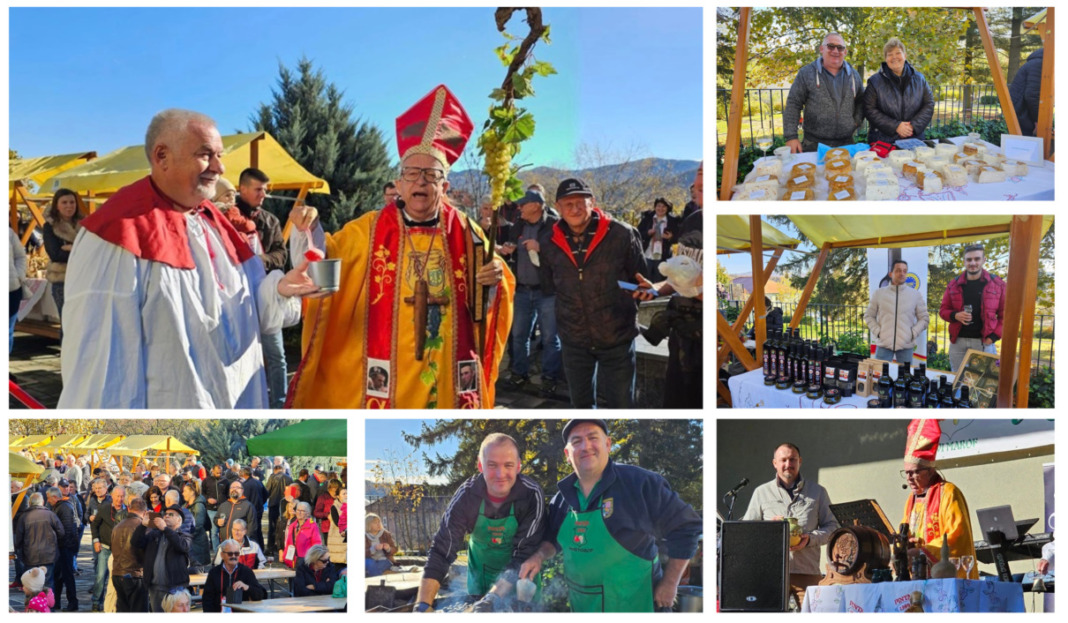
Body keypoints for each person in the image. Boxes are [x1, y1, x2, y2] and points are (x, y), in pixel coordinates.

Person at [56, 108, 323, 408]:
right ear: (161, 156)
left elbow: (246, 313)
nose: (220, 167)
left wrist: (279, 289)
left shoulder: (214, 221)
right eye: (206, 154)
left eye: (220, 155)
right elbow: (102, 368)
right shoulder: (116, 233)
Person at [285, 84, 514, 409]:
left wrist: (494, 280)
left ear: (445, 186)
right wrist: (307, 227)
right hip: (382, 372)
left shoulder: (466, 229)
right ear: (399, 184)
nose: (420, 181)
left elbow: (492, 291)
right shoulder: (368, 228)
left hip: (448, 367)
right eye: (411, 173)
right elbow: (323, 258)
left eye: (430, 175)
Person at [518, 420, 702, 612]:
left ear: (608, 444)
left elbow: (687, 527)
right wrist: (538, 556)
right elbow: (552, 539)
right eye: (577, 441)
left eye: (593, 438)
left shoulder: (639, 484)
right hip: (583, 607)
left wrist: (670, 583)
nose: (586, 446)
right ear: (567, 454)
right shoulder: (561, 499)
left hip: (636, 605)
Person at [540, 178, 650, 408]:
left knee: (622, 407)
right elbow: (550, 285)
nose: (575, 209)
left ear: (593, 202)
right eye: (568, 204)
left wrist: (631, 299)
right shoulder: (549, 241)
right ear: (558, 207)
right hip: (573, 339)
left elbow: (638, 280)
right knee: (580, 408)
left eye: (581, 202)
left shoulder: (622, 234)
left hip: (616, 338)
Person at [414, 433, 545, 612]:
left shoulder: (531, 496)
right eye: (492, 465)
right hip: (480, 578)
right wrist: (422, 605)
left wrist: (492, 598)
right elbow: (442, 550)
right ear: (480, 465)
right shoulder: (467, 497)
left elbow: (522, 555)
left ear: (518, 467)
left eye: (508, 465)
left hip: (520, 583)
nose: (500, 474)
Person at [742, 443, 838, 608]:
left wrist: (809, 539)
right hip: (772, 573)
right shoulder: (761, 492)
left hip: (807, 572)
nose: (788, 464)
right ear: (775, 463)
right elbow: (747, 531)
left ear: (800, 461)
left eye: (792, 459)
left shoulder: (818, 492)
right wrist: (769, 529)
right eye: (783, 460)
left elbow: (833, 528)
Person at [235, 167, 290, 408]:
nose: (263, 195)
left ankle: (280, 405)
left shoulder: (270, 220)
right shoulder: (226, 216)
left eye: (265, 191)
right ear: (242, 189)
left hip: (265, 297)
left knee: (276, 356)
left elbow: (282, 255)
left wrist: (261, 261)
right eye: (258, 190)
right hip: (236, 298)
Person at [500, 189, 563, 397]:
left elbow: (562, 253)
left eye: (524, 204)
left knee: (550, 338)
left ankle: (549, 379)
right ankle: (519, 374)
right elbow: (512, 244)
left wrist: (541, 247)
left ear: (536, 205)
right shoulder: (518, 224)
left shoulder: (554, 225)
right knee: (519, 336)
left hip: (547, 292)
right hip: (522, 290)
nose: (520, 207)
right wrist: (509, 248)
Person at [901, 419, 978, 578]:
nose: (909, 478)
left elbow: (958, 537)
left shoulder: (948, 493)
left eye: (914, 472)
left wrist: (922, 551)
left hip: (945, 576)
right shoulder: (911, 500)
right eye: (906, 473)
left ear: (930, 471)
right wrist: (904, 545)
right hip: (917, 573)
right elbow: (903, 531)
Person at [783, 32, 866, 153]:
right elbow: (793, 104)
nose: (835, 51)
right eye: (831, 46)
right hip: (813, 145)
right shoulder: (806, 73)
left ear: (845, 52)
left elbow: (862, 101)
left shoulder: (854, 75)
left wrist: (856, 122)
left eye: (840, 48)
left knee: (846, 172)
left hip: (846, 143)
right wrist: (791, 136)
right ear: (822, 49)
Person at [938, 244, 1006, 373]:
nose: (973, 263)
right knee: (957, 379)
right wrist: (955, 315)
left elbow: (1007, 316)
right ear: (964, 261)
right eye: (969, 259)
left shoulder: (998, 284)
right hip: (958, 341)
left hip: (983, 342)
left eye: (977, 259)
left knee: (982, 382)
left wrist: (993, 337)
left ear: (984, 260)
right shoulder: (953, 284)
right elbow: (943, 310)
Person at [863, 38, 935, 146]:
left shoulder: (920, 79)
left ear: (905, 56)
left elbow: (929, 104)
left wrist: (913, 126)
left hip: (914, 139)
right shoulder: (875, 82)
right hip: (883, 141)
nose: (894, 57)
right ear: (885, 59)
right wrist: (895, 126)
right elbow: (869, 109)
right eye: (890, 54)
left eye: (898, 53)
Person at [865, 259, 929, 364]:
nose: (902, 273)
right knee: (879, 375)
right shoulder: (879, 293)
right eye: (898, 270)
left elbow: (924, 318)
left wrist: (912, 333)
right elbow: (869, 316)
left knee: (905, 377)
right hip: (884, 344)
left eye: (904, 271)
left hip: (906, 345)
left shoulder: (915, 295)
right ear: (891, 273)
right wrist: (878, 332)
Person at [42, 188, 85, 323]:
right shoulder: (50, 226)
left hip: (85, 277)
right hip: (62, 279)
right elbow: (55, 254)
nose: (69, 206)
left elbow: (94, 248)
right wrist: (81, 250)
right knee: (68, 323)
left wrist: (71, 248)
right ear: (57, 205)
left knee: (85, 323)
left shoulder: (85, 224)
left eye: (72, 202)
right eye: (64, 202)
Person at [139, 504, 192, 612]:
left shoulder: (184, 535)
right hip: (155, 587)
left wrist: (165, 529)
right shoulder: (155, 534)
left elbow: (182, 546)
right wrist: (143, 525)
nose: (166, 516)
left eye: (170, 514)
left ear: (179, 520)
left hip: (173, 589)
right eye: (165, 514)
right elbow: (136, 543)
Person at [14, 493, 63, 594]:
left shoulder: (24, 516)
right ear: (43, 502)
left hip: (30, 555)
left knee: (31, 583)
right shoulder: (50, 514)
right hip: (48, 554)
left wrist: (18, 550)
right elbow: (61, 532)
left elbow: (18, 538)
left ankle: (33, 606)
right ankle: (48, 607)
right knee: (48, 582)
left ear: (29, 503)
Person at [202, 539, 267, 612]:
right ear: (222, 555)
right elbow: (207, 600)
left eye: (236, 554)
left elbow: (260, 594)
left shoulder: (246, 571)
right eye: (230, 554)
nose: (233, 556)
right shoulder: (214, 573)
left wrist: (247, 587)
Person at [90, 484, 127, 611]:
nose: (119, 499)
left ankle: (117, 603)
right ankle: (96, 601)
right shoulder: (104, 508)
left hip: (121, 550)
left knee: (118, 577)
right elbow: (94, 525)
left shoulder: (127, 511)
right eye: (117, 496)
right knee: (101, 576)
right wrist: (96, 541)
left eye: (122, 496)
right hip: (105, 547)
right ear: (112, 497)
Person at [110, 496, 148, 612]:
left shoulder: (118, 526)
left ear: (129, 509)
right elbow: (145, 552)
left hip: (117, 573)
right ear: (145, 512)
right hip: (135, 575)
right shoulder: (142, 527)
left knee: (123, 610)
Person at [47, 486, 81, 611]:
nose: (48, 500)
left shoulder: (64, 507)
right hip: (63, 546)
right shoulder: (61, 506)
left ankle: (72, 603)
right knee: (58, 576)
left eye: (49, 497)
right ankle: (56, 602)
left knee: (67, 576)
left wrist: (60, 544)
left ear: (55, 497)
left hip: (65, 547)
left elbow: (66, 530)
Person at [637, 198, 680, 281]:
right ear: (655, 207)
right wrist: (648, 233)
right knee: (645, 279)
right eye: (658, 206)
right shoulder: (648, 218)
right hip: (647, 254)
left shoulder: (673, 221)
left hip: (663, 256)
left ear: (668, 208)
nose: (661, 209)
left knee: (659, 280)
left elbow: (678, 238)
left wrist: (670, 237)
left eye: (664, 206)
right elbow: (638, 234)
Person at [1009, 47, 1044, 137]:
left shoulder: (1037, 62)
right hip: (1023, 114)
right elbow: (1033, 95)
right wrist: (1038, 121)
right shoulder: (1040, 64)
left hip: (1021, 112)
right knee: (1026, 146)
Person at [283, 501, 322, 568]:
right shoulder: (292, 525)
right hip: (292, 561)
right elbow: (288, 544)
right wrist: (285, 558)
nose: (299, 513)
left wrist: (313, 561)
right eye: (298, 510)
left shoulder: (313, 526)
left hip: (306, 562)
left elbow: (316, 545)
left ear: (308, 513)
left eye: (302, 511)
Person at [181, 481, 211, 566]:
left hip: (198, 543)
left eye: (185, 491)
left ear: (192, 492)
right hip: (191, 542)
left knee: (198, 569)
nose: (183, 493)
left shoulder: (199, 506)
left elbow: (198, 525)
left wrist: (186, 537)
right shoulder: (185, 505)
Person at [238, 467, 268, 547]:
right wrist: (261, 503)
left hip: (250, 512)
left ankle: (254, 549)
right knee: (258, 530)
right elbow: (266, 494)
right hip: (259, 510)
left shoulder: (245, 485)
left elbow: (244, 500)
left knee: (251, 531)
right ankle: (261, 548)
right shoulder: (259, 482)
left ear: (244, 474)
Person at [266, 462, 293, 549]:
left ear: (275, 470)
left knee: (272, 526)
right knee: (284, 526)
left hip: (273, 504)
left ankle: (271, 546)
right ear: (282, 470)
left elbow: (267, 491)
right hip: (285, 505)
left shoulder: (272, 477)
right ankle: (282, 546)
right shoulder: (289, 478)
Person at [9, 226, 27, 354]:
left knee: (7, 332)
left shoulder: (8, 233)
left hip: (11, 289)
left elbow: (20, 256)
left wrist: (18, 276)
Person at [276, 485, 302, 562]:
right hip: (284, 548)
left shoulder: (298, 521)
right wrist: (280, 550)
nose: (292, 508)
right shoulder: (283, 520)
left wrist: (293, 501)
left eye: (294, 507)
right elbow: (278, 536)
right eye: (290, 506)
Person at [314, 478, 343, 545]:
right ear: (331, 489)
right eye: (335, 490)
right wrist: (327, 515)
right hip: (328, 529)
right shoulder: (323, 498)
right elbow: (316, 513)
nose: (336, 493)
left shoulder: (340, 497)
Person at [328, 485, 348, 564]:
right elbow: (338, 523)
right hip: (337, 541)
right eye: (344, 494)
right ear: (337, 496)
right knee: (339, 564)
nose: (347, 495)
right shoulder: (334, 507)